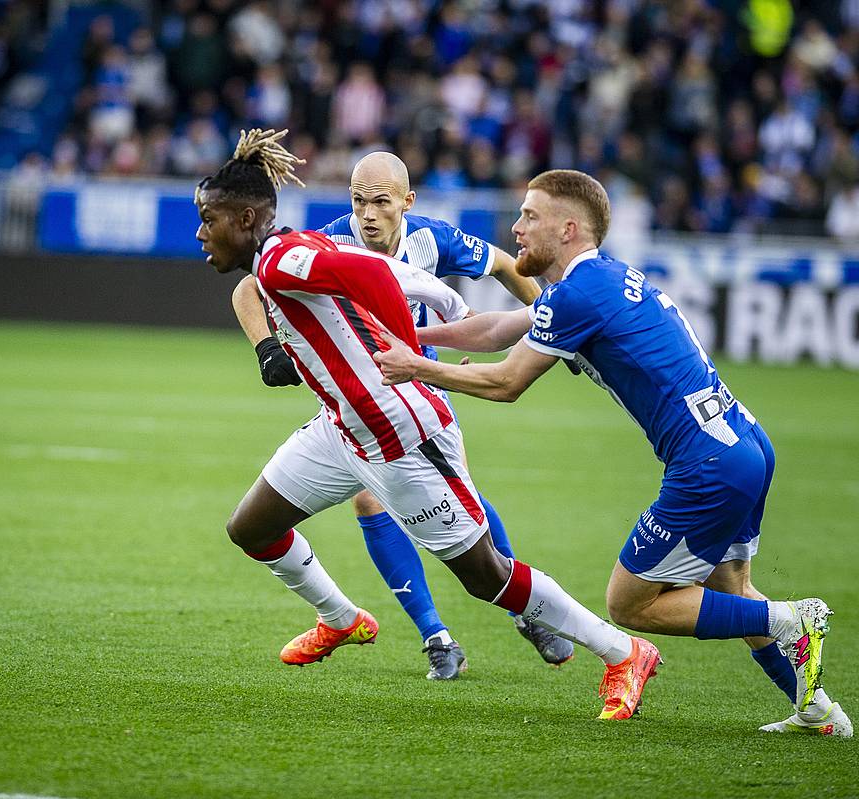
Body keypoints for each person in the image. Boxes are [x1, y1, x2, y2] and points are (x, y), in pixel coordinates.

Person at [199, 129, 660, 721]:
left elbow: (377, 281)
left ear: (245, 218)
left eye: (208, 219)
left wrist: (407, 344)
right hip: (342, 428)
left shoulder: (285, 258)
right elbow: (379, 269)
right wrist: (447, 306)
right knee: (252, 529)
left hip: (401, 434)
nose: (200, 233)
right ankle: (342, 619)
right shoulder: (288, 249)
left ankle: (625, 651)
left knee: (486, 576)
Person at [374, 168, 851, 736]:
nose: (517, 227)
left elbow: (506, 383)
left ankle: (791, 621)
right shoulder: (597, 282)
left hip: (709, 463)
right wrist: (416, 337)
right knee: (731, 588)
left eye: (530, 216)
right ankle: (818, 710)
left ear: (569, 228)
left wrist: (414, 368)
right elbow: (500, 327)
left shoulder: (578, 293)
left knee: (631, 604)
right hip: (746, 444)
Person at [230, 152, 571, 679]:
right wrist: (266, 348)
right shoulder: (331, 239)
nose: (367, 215)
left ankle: (525, 610)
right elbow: (249, 284)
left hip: (420, 396)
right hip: (358, 400)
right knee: (371, 500)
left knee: (465, 508)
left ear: (406, 202)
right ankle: (436, 637)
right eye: (358, 201)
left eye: (380, 202)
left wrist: (552, 325)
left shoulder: (433, 239)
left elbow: (505, 264)